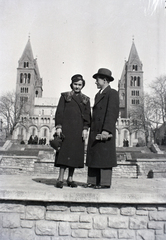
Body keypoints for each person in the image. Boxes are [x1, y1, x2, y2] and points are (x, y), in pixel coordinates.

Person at [54, 74, 91, 188]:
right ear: (72, 84)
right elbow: (59, 112)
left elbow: (87, 116)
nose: (77, 87)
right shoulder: (65, 96)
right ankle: (60, 179)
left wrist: (85, 129)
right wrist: (59, 127)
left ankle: (70, 178)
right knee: (64, 154)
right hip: (66, 130)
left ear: (82, 85)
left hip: (78, 131)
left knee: (74, 155)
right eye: (75, 84)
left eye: (79, 85)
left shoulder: (85, 99)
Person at [85, 68, 119, 189]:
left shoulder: (112, 93)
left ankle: (104, 182)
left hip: (105, 131)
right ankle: (93, 181)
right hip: (95, 130)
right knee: (95, 155)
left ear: (104, 80)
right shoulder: (98, 94)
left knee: (104, 157)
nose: (95, 82)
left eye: (97, 80)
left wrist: (106, 130)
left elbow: (112, 113)